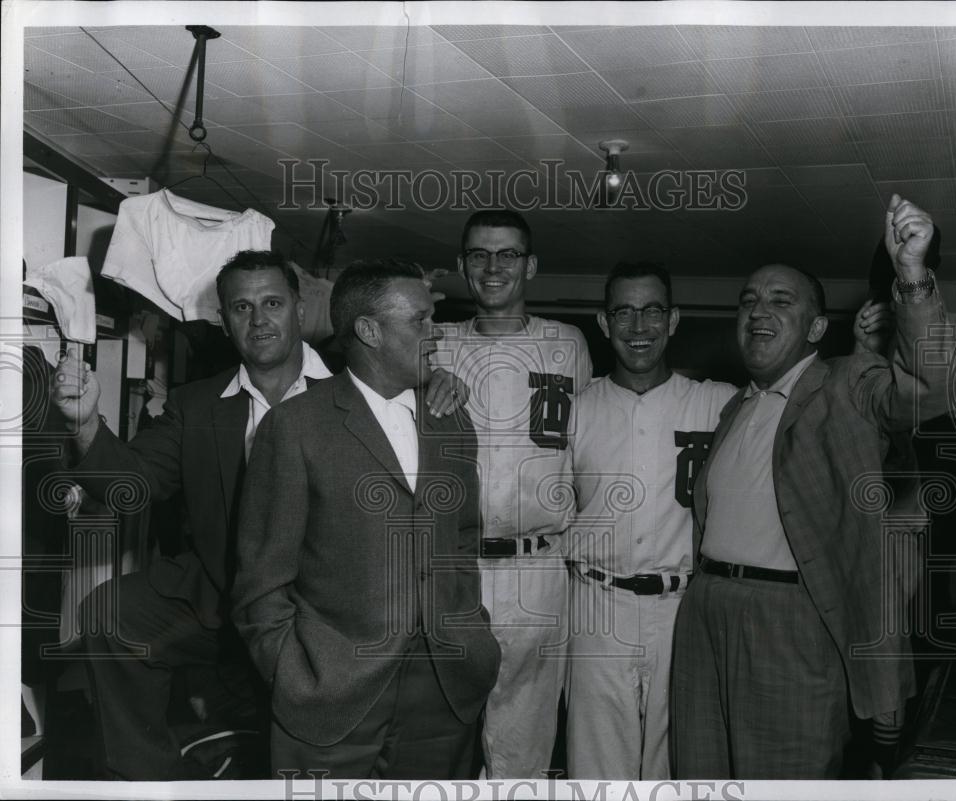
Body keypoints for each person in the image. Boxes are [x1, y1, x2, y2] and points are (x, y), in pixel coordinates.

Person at [49, 250, 463, 779]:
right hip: (218, 592)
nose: (259, 319)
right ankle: (150, 783)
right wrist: (84, 424)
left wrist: (439, 383)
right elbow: (131, 486)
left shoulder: (363, 386)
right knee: (112, 613)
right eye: (241, 307)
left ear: (299, 308)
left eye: (272, 302)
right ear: (223, 320)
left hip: (328, 610)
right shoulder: (197, 405)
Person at [671, 194, 954, 779]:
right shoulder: (734, 409)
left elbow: (928, 389)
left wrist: (912, 277)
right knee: (698, 776)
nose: (758, 310)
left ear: (817, 327)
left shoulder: (848, 383)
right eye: (748, 299)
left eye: (781, 300)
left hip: (791, 623)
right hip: (705, 613)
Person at [231, 259, 500, 779]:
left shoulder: (451, 420)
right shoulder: (295, 426)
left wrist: (473, 635)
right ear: (369, 330)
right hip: (330, 699)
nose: (436, 333)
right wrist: (295, 676)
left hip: (445, 690)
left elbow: (464, 542)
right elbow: (260, 583)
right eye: (420, 321)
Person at [433, 210, 593, 778]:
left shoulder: (567, 344)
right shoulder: (432, 345)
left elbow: (584, 454)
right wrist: (421, 379)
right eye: (479, 254)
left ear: (532, 266)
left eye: (508, 255)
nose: (493, 267)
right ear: (461, 266)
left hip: (538, 569)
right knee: (443, 731)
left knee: (524, 742)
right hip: (454, 567)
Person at [565, 262, 738, 779]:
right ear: (603, 322)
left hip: (682, 609)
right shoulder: (575, 409)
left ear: (675, 318)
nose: (638, 327)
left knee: (677, 766)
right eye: (624, 311)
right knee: (596, 772)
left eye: (652, 311)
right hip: (596, 608)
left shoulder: (718, 402)